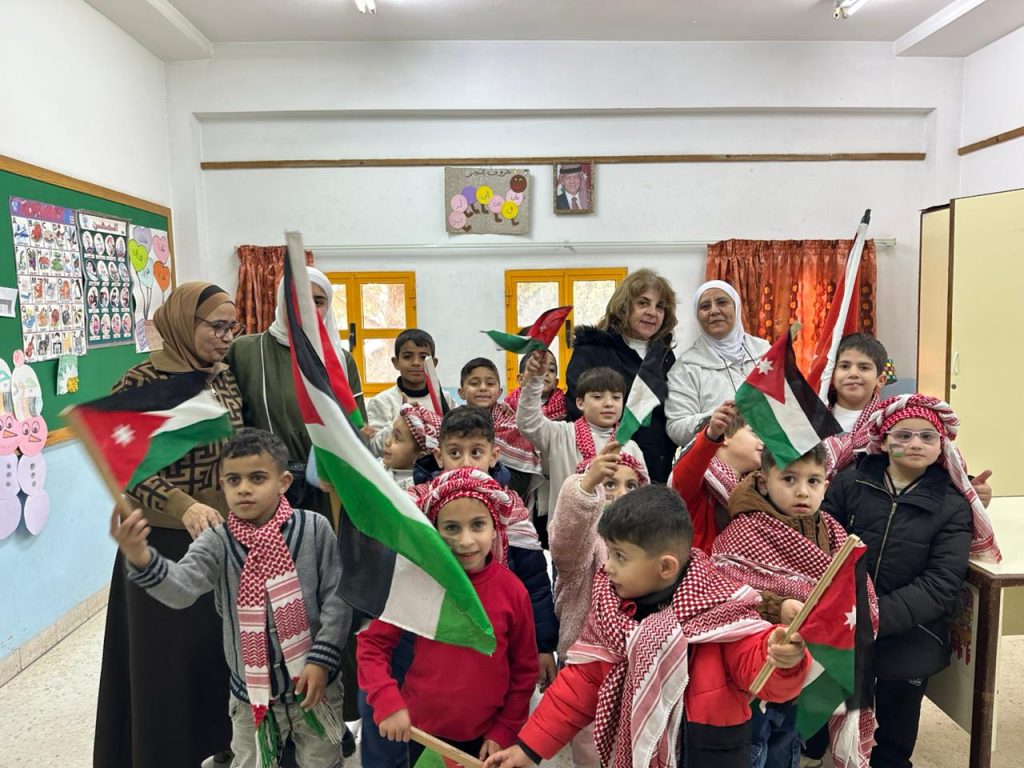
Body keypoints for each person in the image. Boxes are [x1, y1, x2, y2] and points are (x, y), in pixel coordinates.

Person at [483, 485, 811, 768]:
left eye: (620, 556)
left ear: (665, 567)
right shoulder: (611, 611)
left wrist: (782, 659)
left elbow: (760, 669)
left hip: (708, 754)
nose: (608, 566)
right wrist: (529, 749)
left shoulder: (720, 611)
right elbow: (577, 688)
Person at [109, 429, 351, 768]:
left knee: (321, 760)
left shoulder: (314, 529)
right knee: (251, 760)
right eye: (233, 480)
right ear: (222, 485)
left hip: (315, 686)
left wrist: (323, 659)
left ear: (283, 482)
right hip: (251, 698)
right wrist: (143, 559)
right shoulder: (217, 542)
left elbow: (337, 599)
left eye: (257, 478)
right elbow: (181, 589)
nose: (244, 489)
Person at [94, 282, 243, 768]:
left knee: (214, 656)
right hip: (161, 541)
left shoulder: (222, 377)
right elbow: (125, 463)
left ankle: (221, 746)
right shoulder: (142, 382)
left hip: (218, 538)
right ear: (183, 323)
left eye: (233, 328)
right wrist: (183, 506)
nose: (226, 337)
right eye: (217, 327)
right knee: (165, 665)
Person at [821, 395, 999, 768]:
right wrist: (847, 612)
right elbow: (820, 546)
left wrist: (874, 617)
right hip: (843, 619)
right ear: (884, 443)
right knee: (826, 713)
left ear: (941, 445)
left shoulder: (952, 505)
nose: (915, 443)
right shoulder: (851, 483)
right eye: (903, 436)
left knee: (896, 728)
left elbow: (940, 583)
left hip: (912, 632)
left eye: (926, 436)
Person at [358, 469, 539, 764]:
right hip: (418, 734)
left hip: (484, 740)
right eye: (452, 528)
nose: (465, 541)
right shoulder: (418, 582)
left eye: (478, 525)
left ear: (495, 527)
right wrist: (386, 699)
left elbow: (524, 671)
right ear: (435, 531)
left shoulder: (513, 592)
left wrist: (505, 729)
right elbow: (372, 645)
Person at [713, 444, 876, 768]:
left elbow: (851, 586)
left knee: (790, 738)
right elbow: (724, 591)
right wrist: (778, 606)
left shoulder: (832, 530)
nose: (802, 491)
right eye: (789, 479)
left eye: (812, 481)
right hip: (762, 663)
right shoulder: (746, 529)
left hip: (812, 663)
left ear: (825, 485)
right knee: (754, 741)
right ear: (764, 482)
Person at [227, 266, 367, 520]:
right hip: (263, 486)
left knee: (321, 543)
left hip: (327, 487)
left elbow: (358, 429)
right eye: (299, 299)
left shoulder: (341, 361)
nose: (308, 308)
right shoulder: (245, 351)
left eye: (318, 301)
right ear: (282, 302)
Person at [548, 444, 649, 768]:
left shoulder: (649, 546)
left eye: (631, 486)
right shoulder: (586, 545)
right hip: (587, 665)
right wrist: (586, 487)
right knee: (591, 748)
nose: (620, 494)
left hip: (632, 665)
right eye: (610, 484)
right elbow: (566, 540)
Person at [566, 269, 677, 483]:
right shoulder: (592, 350)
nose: (652, 312)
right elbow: (576, 410)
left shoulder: (664, 355)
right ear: (623, 307)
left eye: (660, 306)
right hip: (609, 469)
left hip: (657, 470)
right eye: (643, 303)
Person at [518, 355, 647, 523]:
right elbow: (528, 422)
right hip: (569, 530)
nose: (609, 403)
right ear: (580, 403)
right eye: (598, 397)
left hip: (617, 531)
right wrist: (534, 382)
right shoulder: (561, 434)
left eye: (616, 397)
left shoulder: (630, 446)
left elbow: (642, 495)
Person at [665, 280, 770, 448]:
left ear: (736, 307)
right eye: (705, 306)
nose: (714, 311)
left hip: (773, 456)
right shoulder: (686, 368)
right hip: (719, 459)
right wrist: (711, 421)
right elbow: (676, 428)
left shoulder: (765, 352)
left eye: (722, 302)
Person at [669, 401, 763, 553]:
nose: (763, 441)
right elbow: (689, 469)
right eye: (754, 432)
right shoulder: (698, 484)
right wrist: (711, 435)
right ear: (724, 436)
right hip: (700, 565)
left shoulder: (757, 490)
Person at [365, 328, 452, 457]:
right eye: (407, 357)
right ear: (396, 362)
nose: (416, 363)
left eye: (423, 357)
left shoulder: (445, 398)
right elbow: (374, 449)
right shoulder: (382, 402)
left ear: (433, 363)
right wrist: (401, 418)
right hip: (396, 470)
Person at [383, 403, 442, 490]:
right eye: (391, 434)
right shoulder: (376, 466)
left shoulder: (418, 490)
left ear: (420, 457)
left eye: (397, 438)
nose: (387, 442)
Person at [505, 349, 566, 422]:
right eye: (539, 368)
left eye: (551, 370)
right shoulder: (508, 407)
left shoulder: (563, 406)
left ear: (556, 383)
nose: (545, 373)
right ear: (521, 379)